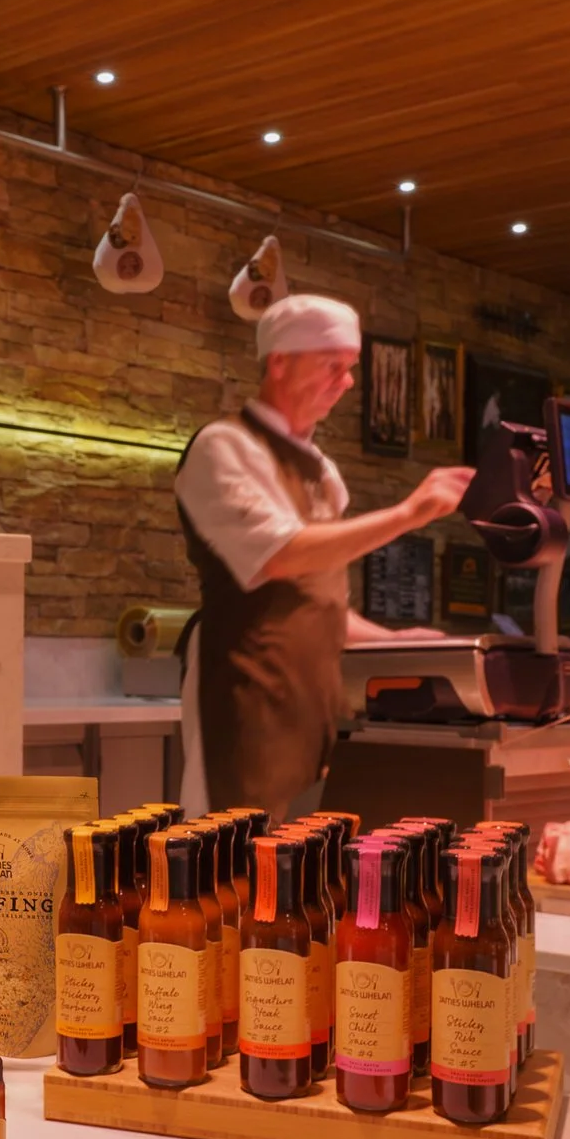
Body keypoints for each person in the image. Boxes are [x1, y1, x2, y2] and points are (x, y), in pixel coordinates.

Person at [174, 293, 473, 818]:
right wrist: (409, 513)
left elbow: (317, 596)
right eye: (332, 365)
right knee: (236, 852)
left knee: (311, 861)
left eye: (350, 367)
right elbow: (279, 556)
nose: (348, 381)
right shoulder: (225, 447)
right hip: (247, 687)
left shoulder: (323, 472)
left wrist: (393, 642)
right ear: (280, 363)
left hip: (318, 696)